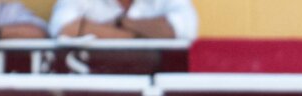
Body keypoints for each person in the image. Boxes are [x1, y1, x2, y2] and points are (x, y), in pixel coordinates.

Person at [48, 0, 198, 41]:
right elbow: (62, 27)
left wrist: (121, 23)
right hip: (97, 83)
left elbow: (186, 28)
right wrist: (143, 35)